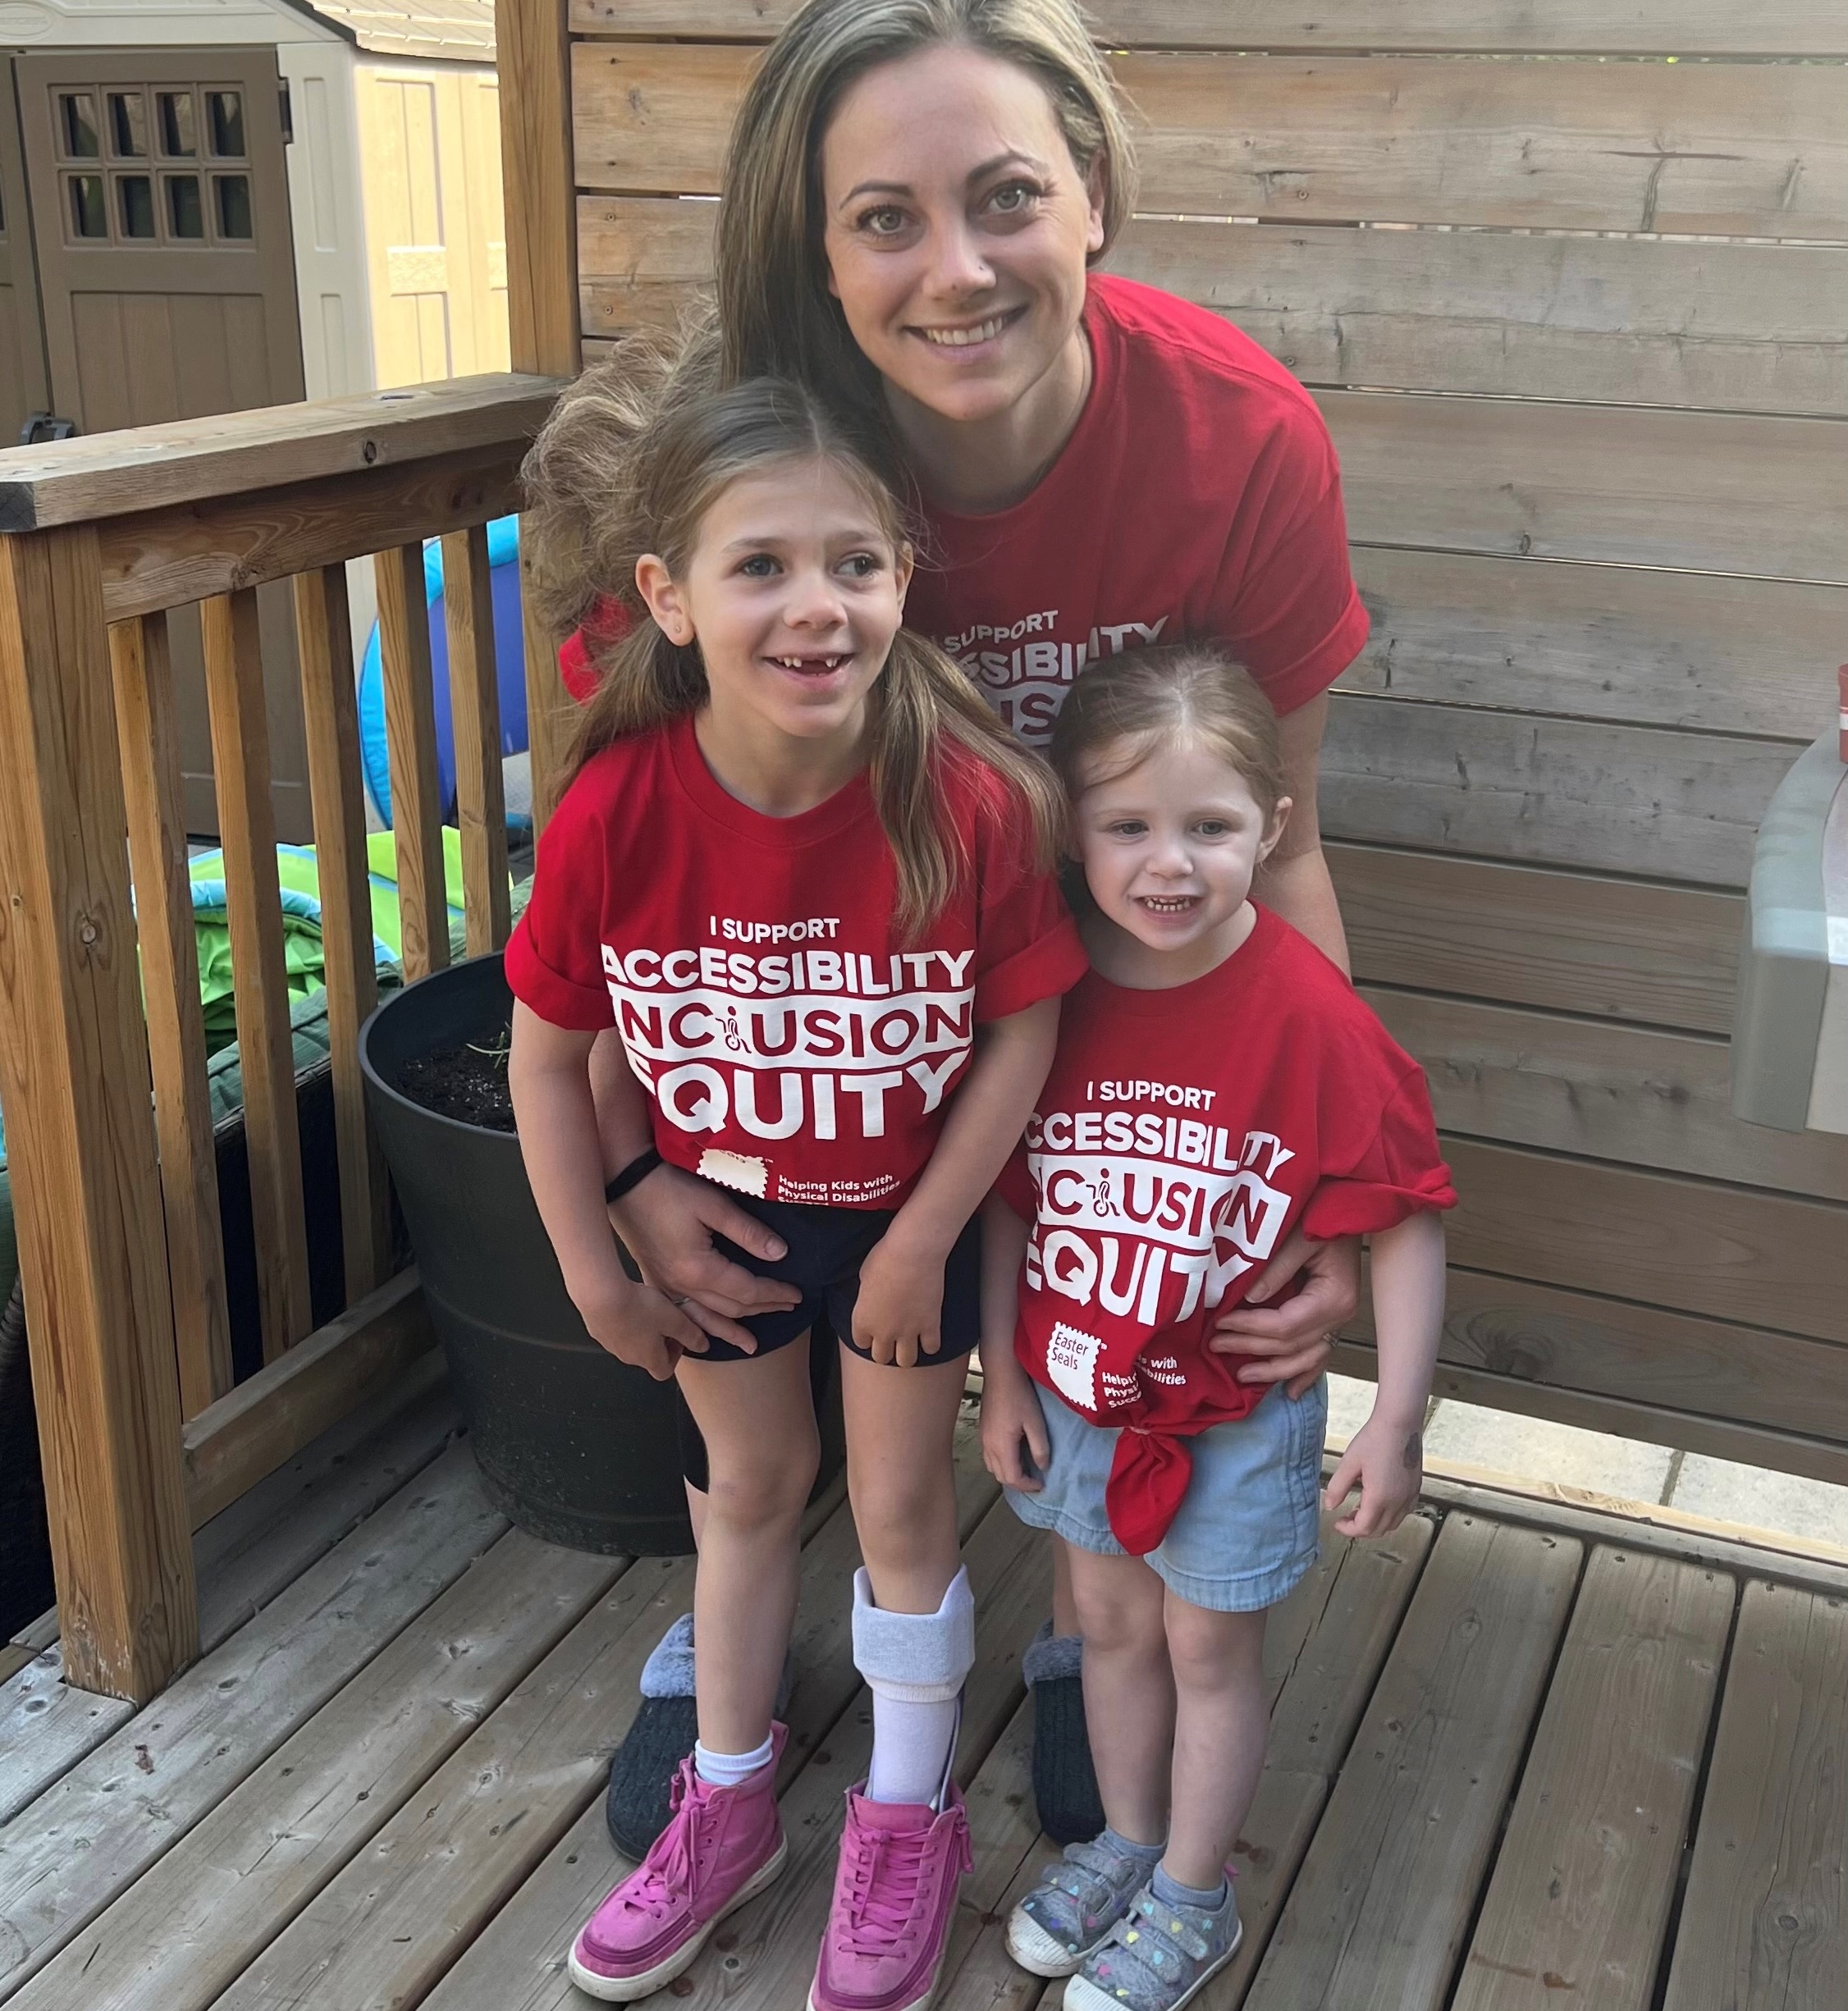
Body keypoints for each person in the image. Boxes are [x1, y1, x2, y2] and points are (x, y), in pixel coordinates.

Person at [574, 0, 1374, 1849]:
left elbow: (1292, 839)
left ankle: (1105, 1616)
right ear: (811, 244)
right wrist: (623, 1163)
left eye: (1005, 194)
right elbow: (645, 879)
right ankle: (724, 1640)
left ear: (1091, 191)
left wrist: (1331, 1190)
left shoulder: (1237, 442)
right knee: (751, 1341)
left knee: (1129, 1301)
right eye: (883, 218)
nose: (956, 267)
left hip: (1096, 1036)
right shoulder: (732, 476)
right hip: (803, 1042)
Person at [505, 351, 1086, 2009]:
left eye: (853, 561)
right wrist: (595, 1264)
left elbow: (1023, 1028)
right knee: (744, 1493)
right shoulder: (619, 807)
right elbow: (549, 1053)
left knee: (899, 1508)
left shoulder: (961, 799)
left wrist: (923, 1241)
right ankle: (733, 1793)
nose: (814, 603)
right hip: (719, 1228)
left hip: (899, 1229)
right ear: (668, 597)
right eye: (761, 564)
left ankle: (905, 1818)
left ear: (903, 574)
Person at [979, 643, 1453, 2010]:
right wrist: (999, 1374)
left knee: (1207, 1647)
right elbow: (1008, 1195)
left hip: (1236, 1415)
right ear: (1072, 826)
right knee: (1114, 1635)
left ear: (1274, 828)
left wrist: (1397, 1414)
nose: (1168, 863)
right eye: (1127, 826)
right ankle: (1130, 1843)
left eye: (1210, 827)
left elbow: (1406, 1210)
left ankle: (1196, 1892)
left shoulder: (1310, 1013)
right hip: (1076, 1393)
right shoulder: (1052, 996)